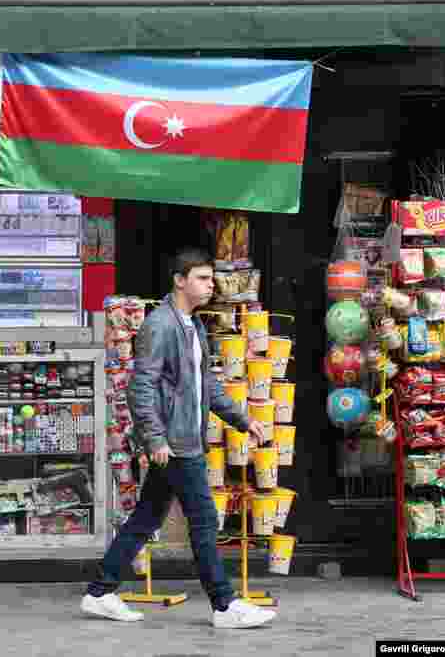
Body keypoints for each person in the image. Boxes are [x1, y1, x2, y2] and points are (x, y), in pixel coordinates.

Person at [81, 247, 277, 629]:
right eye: (202, 278)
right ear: (179, 280)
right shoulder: (161, 326)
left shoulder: (193, 326)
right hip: (174, 443)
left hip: (182, 439)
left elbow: (207, 386)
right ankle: (224, 604)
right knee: (203, 519)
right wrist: (154, 439)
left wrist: (241, 419)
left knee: (145, 516)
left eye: (211, 278)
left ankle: (100, 592)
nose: (211, 285)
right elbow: (142, 386)